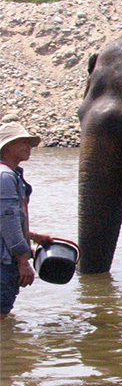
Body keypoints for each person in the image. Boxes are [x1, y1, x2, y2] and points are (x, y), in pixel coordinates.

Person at [1, 122, 53, 321]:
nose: (28, 147)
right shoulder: (5, 177)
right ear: (6, 147)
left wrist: (31, 236)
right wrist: (23, 260)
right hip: (4, 262)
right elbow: (7, 220)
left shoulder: (9, 174)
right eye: (22, 142)